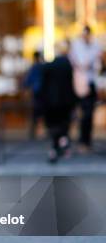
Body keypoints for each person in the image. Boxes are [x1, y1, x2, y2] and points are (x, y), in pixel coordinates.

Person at [40, 41, 77, 163]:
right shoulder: (68, 65)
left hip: (52, 101)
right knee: (63, 124)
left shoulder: (49, 66)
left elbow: (43, 84)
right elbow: (71, 83)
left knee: (54, 125)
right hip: (65, 100)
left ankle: (56, 147)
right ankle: (61, 143)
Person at [69, 25, 102, 153]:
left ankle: (85, 141)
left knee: (88, 114)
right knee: (82, 114)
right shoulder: (77, 46)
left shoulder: (95, 45)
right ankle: (81, 141)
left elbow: (96, 66)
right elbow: (80, 63)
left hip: (90, 83)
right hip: (79, 83)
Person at [23, 51, 44, 139]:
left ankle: (35, 131)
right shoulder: (42, 67)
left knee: (36, 112)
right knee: (41, 112)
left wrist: (25, 87)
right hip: (42, 92)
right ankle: (39, 131)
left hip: (37, 92)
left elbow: (28, 80)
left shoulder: (34, 67)